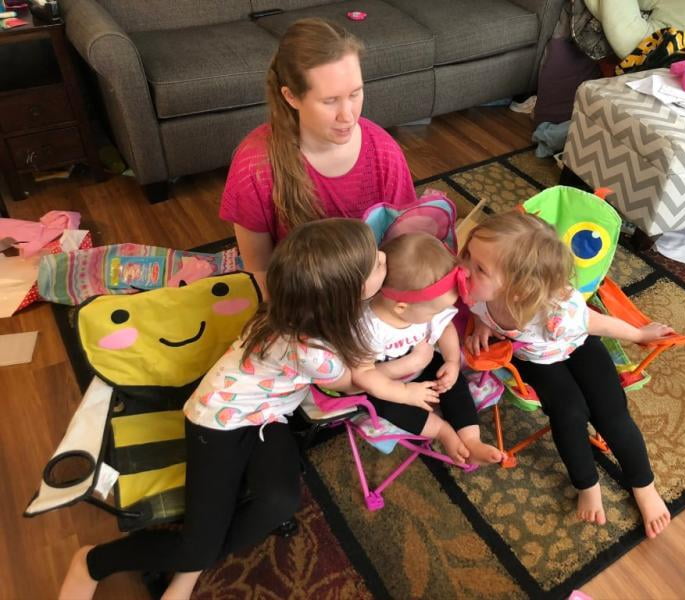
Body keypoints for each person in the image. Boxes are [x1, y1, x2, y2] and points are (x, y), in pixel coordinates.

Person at [59, 219, 388, 600]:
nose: (384, 257)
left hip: (266, 416)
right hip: (215, 423)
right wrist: (414, 365)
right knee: (197, 545)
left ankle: (192, 566)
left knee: (279, 501)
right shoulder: (315, 352)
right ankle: (94, 562)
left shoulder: (299, 308)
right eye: (376, 263)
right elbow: (358, 381)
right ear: (345, 294)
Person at [461, 211, 674, 538]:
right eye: (467, 255)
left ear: (518, 290)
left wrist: (639, 334)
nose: (464, 268)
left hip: (579, 345)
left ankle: (644, 485)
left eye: (479, 268)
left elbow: (597, 324)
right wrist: (479, 325)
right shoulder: (476, 290)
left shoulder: (559, 309)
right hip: (535, 360)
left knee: (611, 414)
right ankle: (587, 484)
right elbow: (479, 309)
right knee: (569, 413)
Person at [220, 18, 417, 295]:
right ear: (291, 97)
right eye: (329, 100)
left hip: (373, 296)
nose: (347, 116)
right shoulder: (255, 166)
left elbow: (404, 253)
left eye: (355, 94)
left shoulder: (384, 152)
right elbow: (260, 271)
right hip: (296, 299)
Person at [353, 232, 504, 465]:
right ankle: (442, 431)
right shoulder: (369, 329)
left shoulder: (424, 307)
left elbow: (445, 327)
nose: (439, 315)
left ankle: (471, 439)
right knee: (386, 404)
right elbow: (362, 375)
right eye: (435, 312)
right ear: (401, 308)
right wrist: (404, 391)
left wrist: (452, 361)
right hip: (384, 378)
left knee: (453, 382)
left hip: (421, 361)